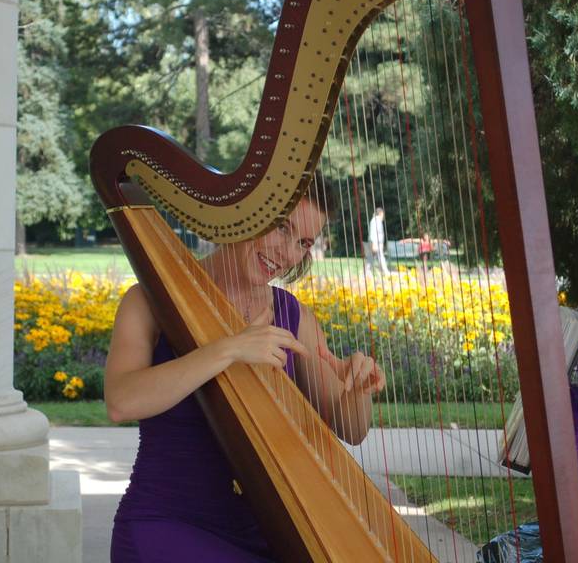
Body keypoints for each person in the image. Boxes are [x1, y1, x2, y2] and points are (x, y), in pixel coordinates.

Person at [106, 179, 387, 562]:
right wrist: (228, 349)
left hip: (267, 532)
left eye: (303, 242)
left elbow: (352, 430)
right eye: (284, 227)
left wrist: (358, 390)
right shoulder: (149, 301)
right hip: (167, 526)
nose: (287, 252)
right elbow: (121, 401)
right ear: (245, 215)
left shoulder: (293, 315)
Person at [367, 207, 389, 275]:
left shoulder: (377, 221)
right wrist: (374, 244)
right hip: (375, 243)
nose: (383, 216)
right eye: (383, 214)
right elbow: (373, 233)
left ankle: (368, 272)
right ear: (381, 213)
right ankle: (385, 272)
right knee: (380, 257)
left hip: (377, 243)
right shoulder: (375, 221)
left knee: (372, 258)